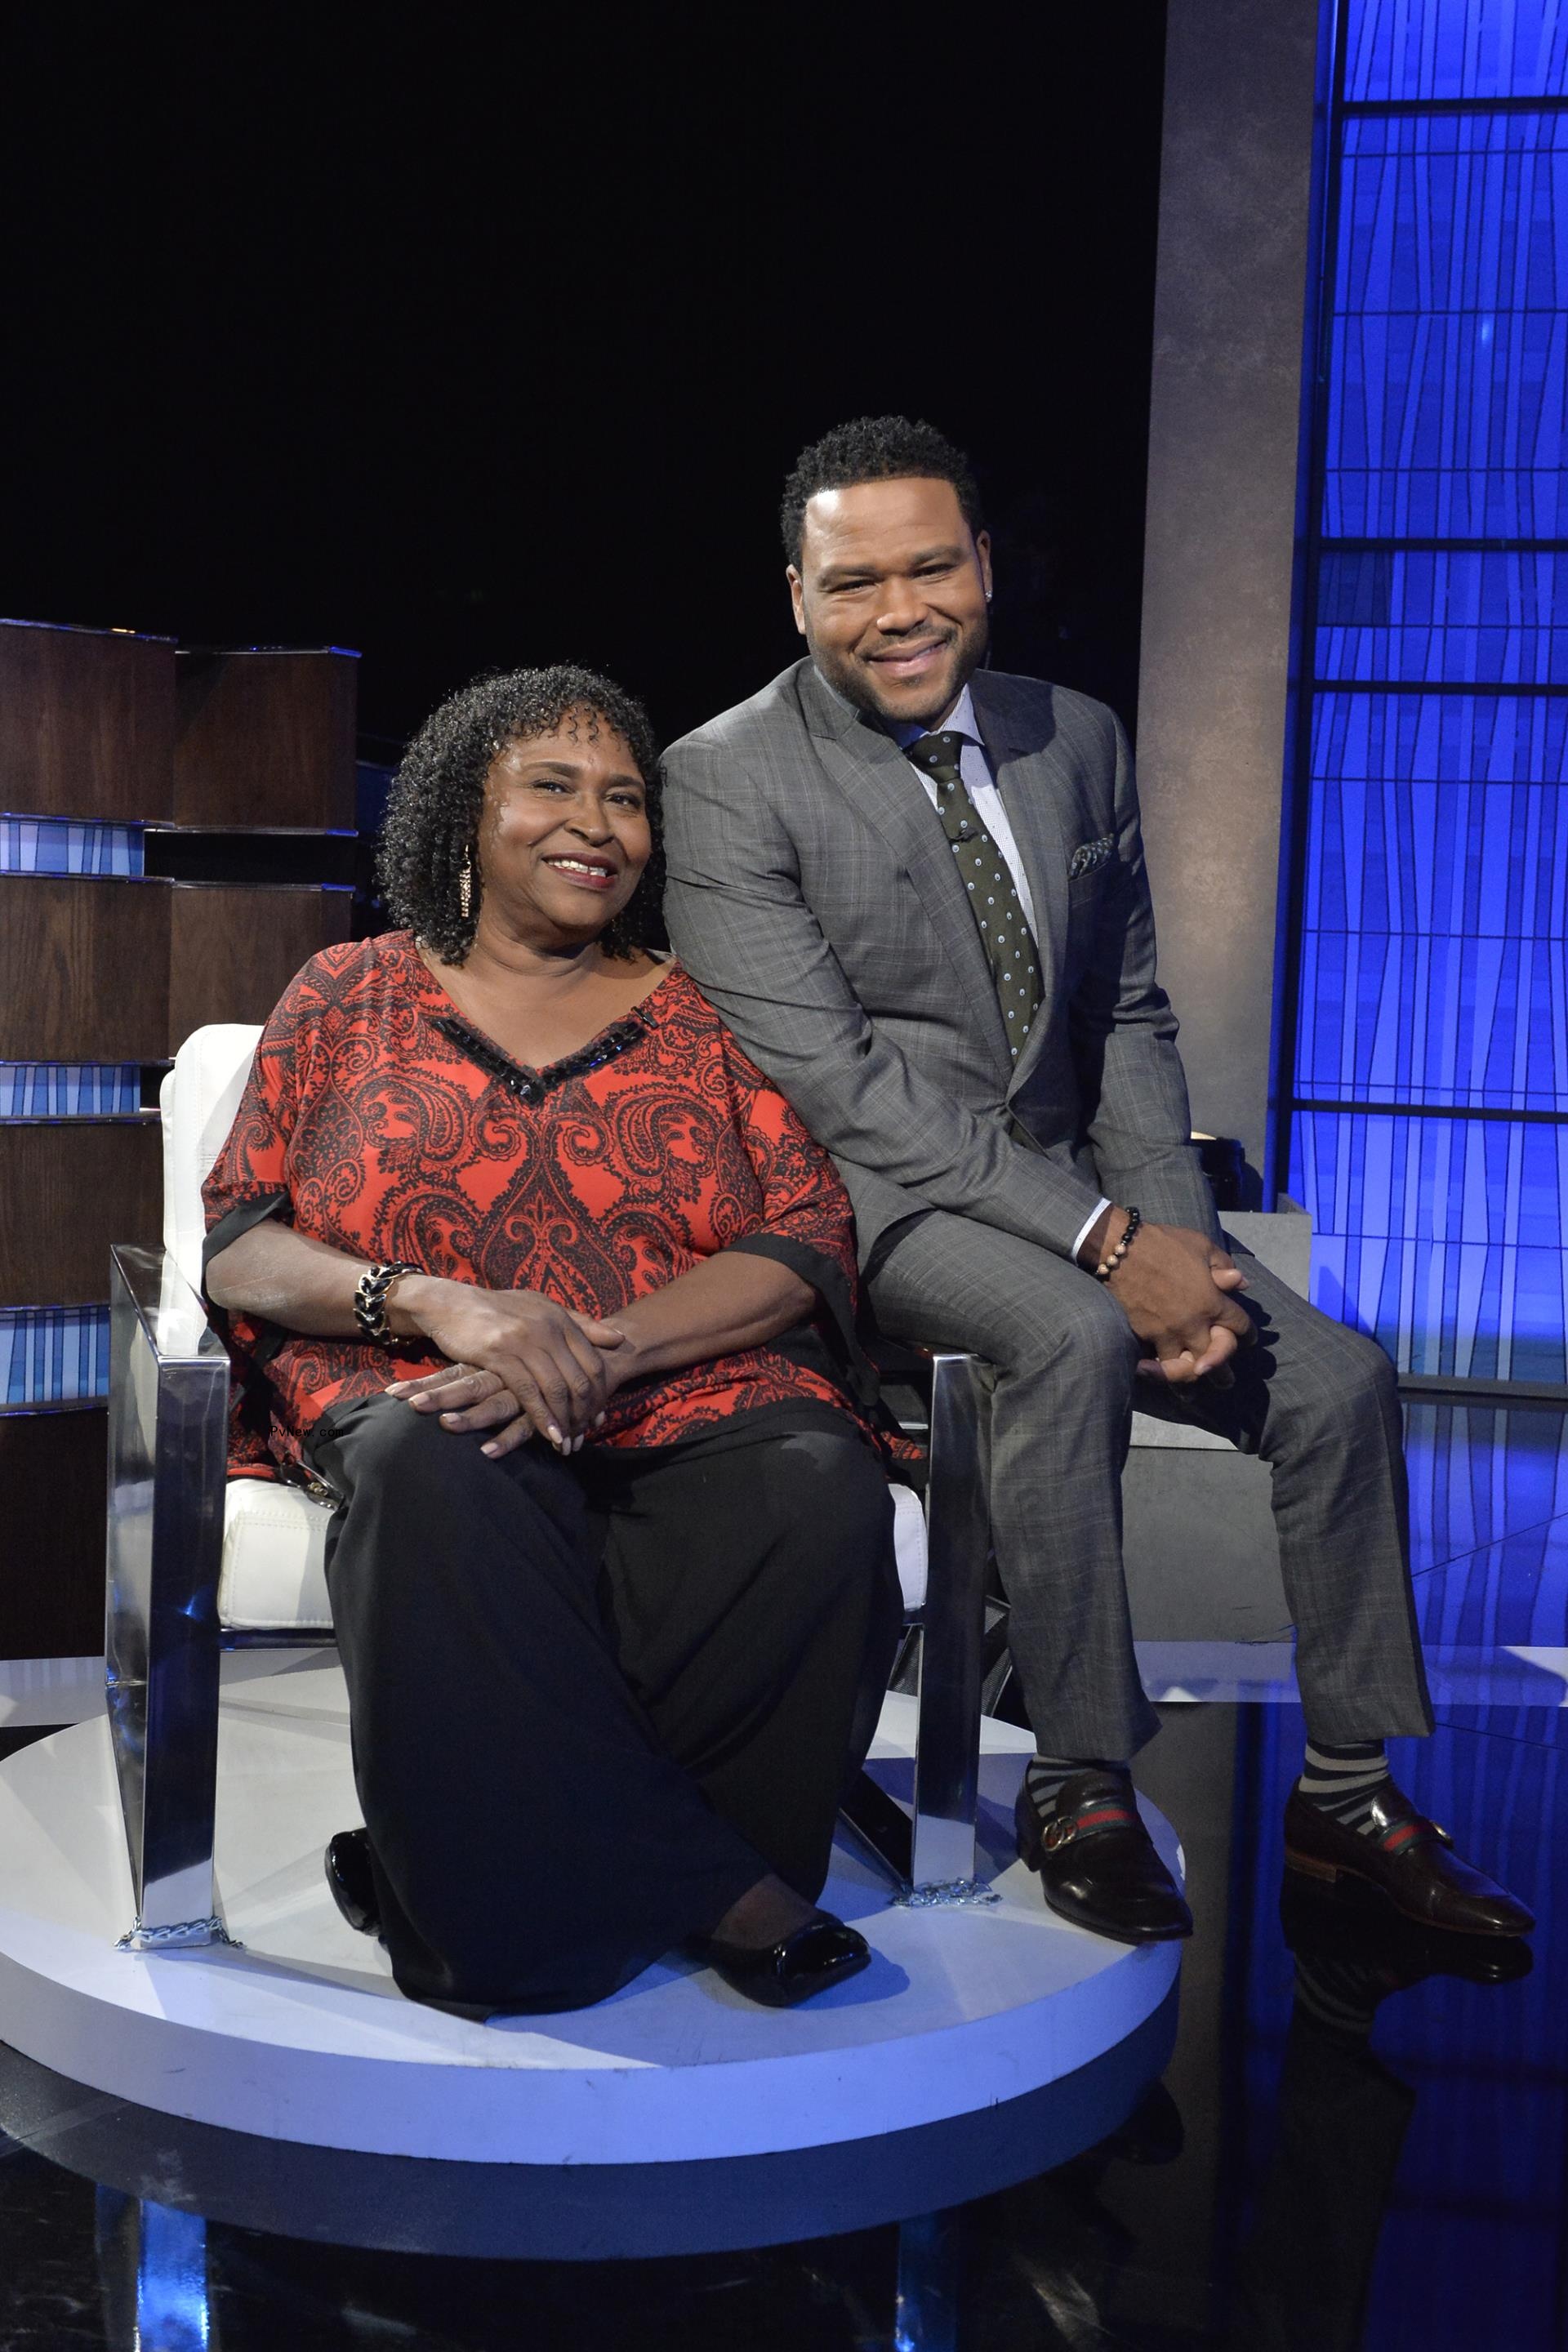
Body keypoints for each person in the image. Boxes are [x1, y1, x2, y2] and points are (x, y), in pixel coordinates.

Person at [660, 415, 1532, 1948]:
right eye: (854, 582)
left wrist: (1183, 1258)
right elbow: (837, 1089)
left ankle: (1347, 1797)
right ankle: (1082, 1778)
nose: (900, 608)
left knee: (1337, 1383)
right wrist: (1109, 1242)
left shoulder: (1077, 736)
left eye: (932, 566)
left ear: (984, 565)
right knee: (1064, 1338)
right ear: (797, 596)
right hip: (881, 1205)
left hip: (1081, 1187)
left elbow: (1124, 1021)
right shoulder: (724, 777)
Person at [202, 662, 902, 2017]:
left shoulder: (710, 1010)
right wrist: (433, 1300)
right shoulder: (346, 992)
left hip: (679, 1379)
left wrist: (612, 1349)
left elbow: (809, 1229)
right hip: (415, 1376)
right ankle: (708, 1891)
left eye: (627, 799)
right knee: (431, 1470)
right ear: (469, 811)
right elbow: (243, 1234)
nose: (599, 822)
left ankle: (433, 1859)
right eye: (555, 786)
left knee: (819, 1484)